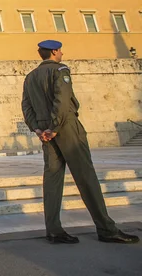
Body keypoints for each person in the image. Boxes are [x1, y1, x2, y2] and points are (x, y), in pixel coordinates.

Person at [21, 40, 139, 245]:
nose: (62, 53)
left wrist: (38, 129)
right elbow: (62, 101)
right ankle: (106, 229)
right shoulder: (60, 70)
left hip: (45, 132)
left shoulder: (30, 77)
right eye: (60, 50)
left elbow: (26, 106)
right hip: (65, 128)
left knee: (52, 180)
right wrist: (55, 127)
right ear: (55, 51)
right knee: (86, 177)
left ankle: (54, 231)